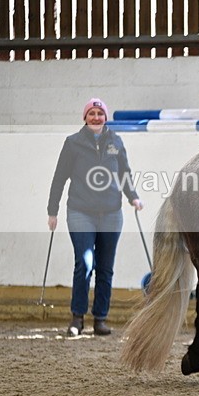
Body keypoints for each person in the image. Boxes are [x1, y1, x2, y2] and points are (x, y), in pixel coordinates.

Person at [47, 98, 143, 337]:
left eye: (100, 113)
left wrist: (133, 197)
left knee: (106, 268)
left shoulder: (116, 142)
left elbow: (124, 174)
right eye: (92, 113)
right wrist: (52, 210)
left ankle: (100, 318)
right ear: (85, 117)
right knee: (85, 264)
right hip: (80, 212)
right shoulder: (72, 143)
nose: (96, 117)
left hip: (111, 213)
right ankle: (77, 317)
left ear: (105, 117)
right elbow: (59, 178)